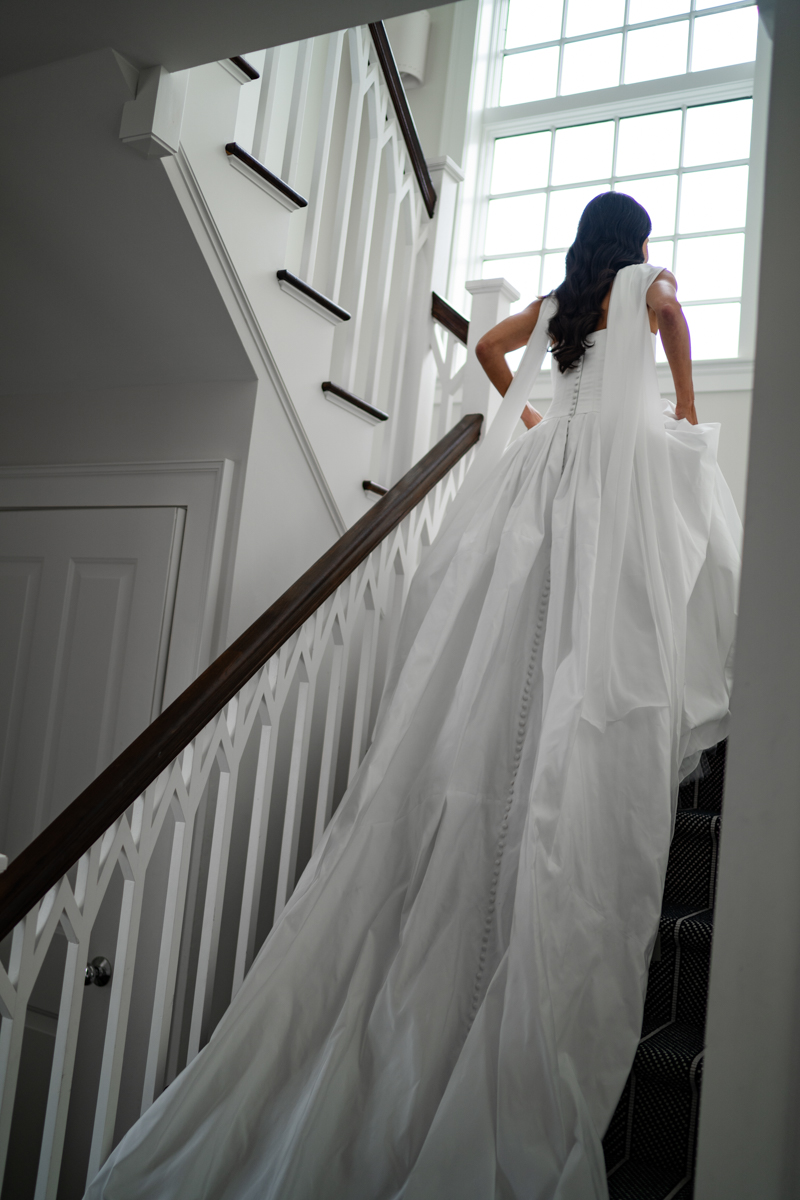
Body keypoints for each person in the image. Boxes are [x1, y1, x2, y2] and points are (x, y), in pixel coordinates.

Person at [85, 193, 739, 1200]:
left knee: (510, 637)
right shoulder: (650, 290)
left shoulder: (566, 296)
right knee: (615, 616)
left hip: (541, 473)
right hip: (608, 478)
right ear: (639, 241)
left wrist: (533, 414)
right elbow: (682, 381)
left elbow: (488, 348)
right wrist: (682, 434)